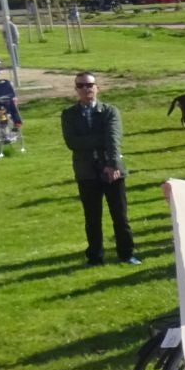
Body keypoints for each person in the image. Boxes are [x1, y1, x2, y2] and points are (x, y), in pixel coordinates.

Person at [62, 72, 138, 266]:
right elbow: (72, 142)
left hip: (112, 170)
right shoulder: (69, 114)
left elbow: (113, 138)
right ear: (76, 90)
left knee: (120, 216)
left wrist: (112, 165)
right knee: (92, 218)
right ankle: (95, 256)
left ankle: (126, 253)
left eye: (89, 85)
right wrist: (99, 138)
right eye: (81, 86)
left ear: (97, 87)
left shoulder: (110, 111)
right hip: (86, 172)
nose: (86, 89)